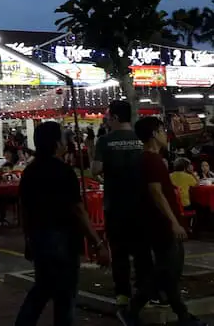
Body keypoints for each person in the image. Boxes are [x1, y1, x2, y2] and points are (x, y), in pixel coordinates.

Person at [15, 121, 108, 326]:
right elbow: (78, 210)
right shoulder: (64, 172)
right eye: (64, 139)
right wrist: (98, 243)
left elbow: (25, 210)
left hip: (39, 239)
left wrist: (28, 239)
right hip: (63, 240)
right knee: (64, 297)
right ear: (57, 143)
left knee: (41, 290)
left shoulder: (29, 172)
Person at [117, 117, 207, 326]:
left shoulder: (145, 159)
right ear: (154, 134)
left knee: (169, 272)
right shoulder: (151, 160)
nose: (165, 134)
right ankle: (132, 309)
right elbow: (156, 192)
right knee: (168, 270)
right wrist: (173, 222)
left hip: (155, 223)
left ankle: (182, 315)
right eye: (162, 130)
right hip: (162, 225)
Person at [92, 100, 151, 306]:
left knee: (119, 251)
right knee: (142, 250)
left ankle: (123, 293)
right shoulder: (141, 139)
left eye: (108, 116)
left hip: (115, 204)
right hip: (142, 203)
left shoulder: (105, 141)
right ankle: (145, 289)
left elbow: (96, 169)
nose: (106, 119)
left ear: (115, 117)